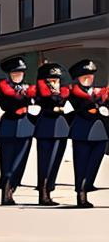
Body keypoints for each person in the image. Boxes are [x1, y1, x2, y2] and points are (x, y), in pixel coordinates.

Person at [0, 56, 36, 205]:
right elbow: (8, 104)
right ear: (10, 74)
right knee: (7, 162)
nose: (19, 76)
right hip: (8, 126)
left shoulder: (27, 87)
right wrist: (26, 99)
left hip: (25, 127)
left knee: (20, 162)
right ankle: (6, 191)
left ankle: (12, 188)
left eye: (21, 73)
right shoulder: (4, 87)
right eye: (15, 73)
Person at [67, 59, 105, 208]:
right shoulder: (73, 92)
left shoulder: (97, 91)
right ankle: (81, 194)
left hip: (99, 132)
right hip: (82, 131)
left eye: (90, 76)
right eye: (85, 77)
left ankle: (88, 185)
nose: (89, 79)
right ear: (78, 78)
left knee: (94, 163)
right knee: (81, 164)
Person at [33, 62, 71, 206]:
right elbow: (51, 100)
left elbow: (62, 99)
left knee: (55, 161)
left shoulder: (62, 90)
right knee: (45, 162)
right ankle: (43, 193)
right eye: (51, 80)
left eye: (57, 80)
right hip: (46, 127)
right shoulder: (41, 89)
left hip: (60, 127)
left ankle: (49, 190)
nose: (55, 83)